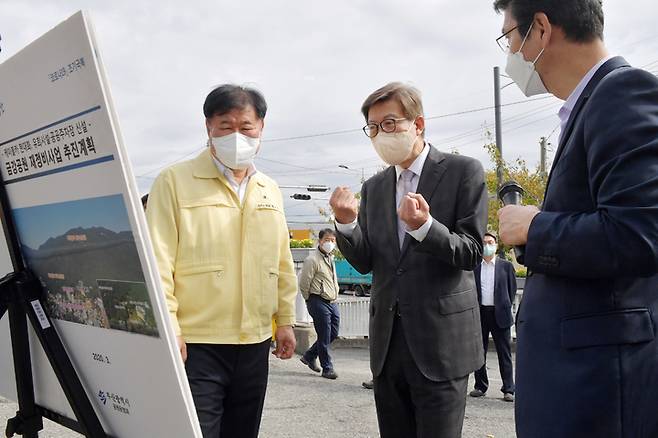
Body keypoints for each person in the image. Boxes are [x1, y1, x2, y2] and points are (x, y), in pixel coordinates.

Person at [492, 1, 658, 437]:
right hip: (580, 380)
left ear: (541, 29)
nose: (512, 55)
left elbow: (639, 233)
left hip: (600, 390)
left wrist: (534, 226)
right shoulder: (589, 104)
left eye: (510, 38)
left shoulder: (622, 93)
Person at [330, 82, 488, 438]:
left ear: (418, 124)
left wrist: (425, 227)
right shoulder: (375, 187)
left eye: (389, 124)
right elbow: (367, 261)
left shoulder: (464, 172)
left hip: (441, 344)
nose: (380, 134)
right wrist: (346, 223)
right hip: (388, 345)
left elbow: (472, 252)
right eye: (372, 127)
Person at [146, 84, 297, 438]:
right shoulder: (175, 181)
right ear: (208, 127)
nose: (236, 135)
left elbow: (282, 260)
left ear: (261, 127)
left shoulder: (269, 189)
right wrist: (170, 326)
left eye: (246, 127)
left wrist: (286, 320)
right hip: (198, 342)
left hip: (255, 342)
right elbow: (157, 259)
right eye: (225, 126)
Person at [469, 232, 516, 402]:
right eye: (484, 243)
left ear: (495, 245)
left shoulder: (506, 267)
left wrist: (504, 305)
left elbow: (511, 291)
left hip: (500, 314)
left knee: (504, 353)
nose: (487, 245)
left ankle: (509, 388)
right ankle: (480, 386)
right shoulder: (475, 267)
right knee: (478, 352)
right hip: (480, 313)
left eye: (490, 242)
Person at [298, 228, 341, 379]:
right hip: (317, 300)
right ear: (320, 241)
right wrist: (309, 300)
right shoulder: (312, 259)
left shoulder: (330, 258)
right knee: (324, 335)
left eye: (332, 240)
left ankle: (309, 356)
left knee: (333, 332)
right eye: (327, 240)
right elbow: (304, 283)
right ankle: (327, 368)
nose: (330, 243)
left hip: (331, 301)